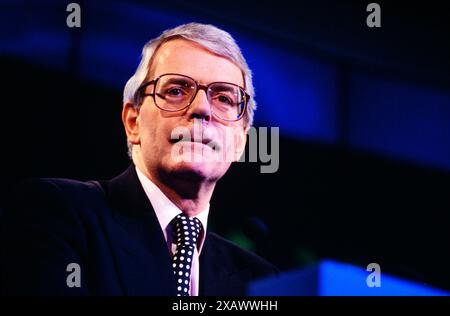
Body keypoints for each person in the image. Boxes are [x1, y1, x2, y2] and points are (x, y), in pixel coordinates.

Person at [0, 23, 277, 296]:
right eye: (176, 91)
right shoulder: (58, 212)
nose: (202, 108)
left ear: (240, 142)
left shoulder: (259, 280)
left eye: (224, 98)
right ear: (133, 121)